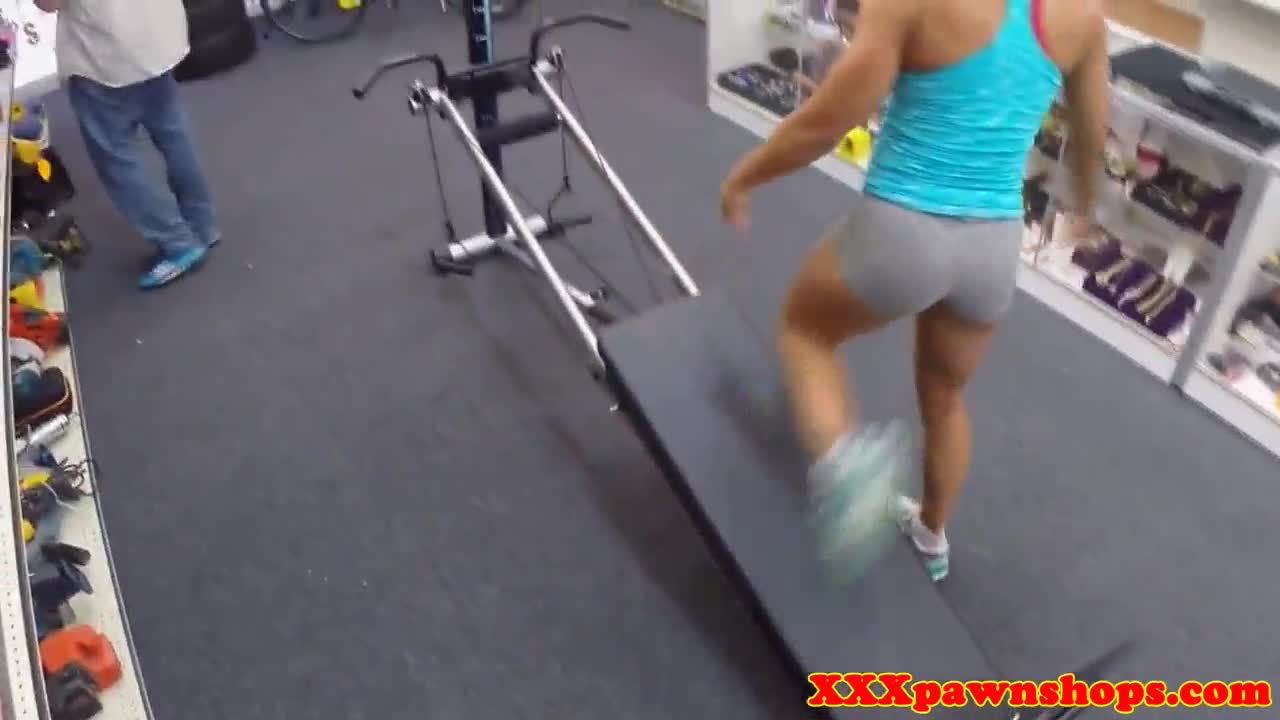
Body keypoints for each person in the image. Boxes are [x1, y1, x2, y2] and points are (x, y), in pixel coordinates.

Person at [719, 0, 1110, 582]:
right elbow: (1092, 141)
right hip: (993, 247)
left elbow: (829, 122)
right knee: (945, 397)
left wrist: (743, 176)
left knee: (805, 332)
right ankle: (932, 536)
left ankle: (847, 470)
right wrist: (1086, 207)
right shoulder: (1083, 17)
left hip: (904, 230)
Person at [34, 0, 220, 290]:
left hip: (108, 54)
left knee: (117, 156)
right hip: (158, 37)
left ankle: (178, 242)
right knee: (173, 135)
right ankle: (202, 225)